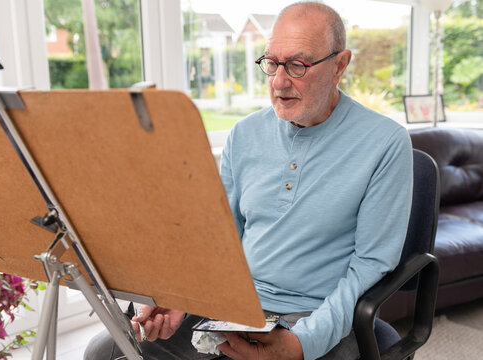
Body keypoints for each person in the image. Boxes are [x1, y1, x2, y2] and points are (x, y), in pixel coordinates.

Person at [84, 2, 413, 359]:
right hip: (235, 312)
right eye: (271, 63)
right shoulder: (244, 134)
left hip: (316, 317)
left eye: (298, 65)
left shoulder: (386, 143)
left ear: (339, 65)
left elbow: (370, 266)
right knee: (105, 351)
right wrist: (181, 298)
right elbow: (219, 240)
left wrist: (303, 343)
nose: (279, 82)